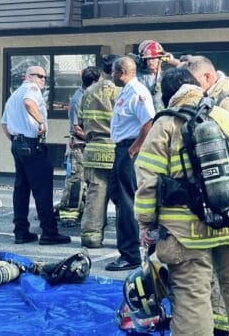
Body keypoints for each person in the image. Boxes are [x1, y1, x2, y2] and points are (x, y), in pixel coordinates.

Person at [134, 68, 229, 336]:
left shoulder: (165, 125)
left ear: (169, 95)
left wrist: (146, 224)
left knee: (192, 293)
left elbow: (148, 183)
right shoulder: (225, 116)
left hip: (187, 233)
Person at [183, 55, 229, 336]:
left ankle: (224, 326)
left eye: (196, 83)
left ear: (208, 78)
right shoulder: (215, 99)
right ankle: (220, 325)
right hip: (224, 201)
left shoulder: (227, 102)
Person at [1, 66, 70, 245]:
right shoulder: (31, 89)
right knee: (43, 189)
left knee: (21, 189)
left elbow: (4, 124)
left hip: (18, 143)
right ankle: (49, 232)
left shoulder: (13, 95)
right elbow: (29, 103)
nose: (43, 80)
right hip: (31, 144)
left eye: (45, 77)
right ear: (28, 76)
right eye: (39, 76)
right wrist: (41, 122)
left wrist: (16, 140)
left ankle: (21, 231)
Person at [106, 56, 155, 271]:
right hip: (121, 149)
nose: (111, 76)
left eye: (113, 72)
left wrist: (133, 150)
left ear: (121, 72)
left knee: (127, 202)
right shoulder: (125, 91)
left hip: (130, 150)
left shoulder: (137, 92)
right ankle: (127, 249)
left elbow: (149, 122)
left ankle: (130, 254)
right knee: (116, 195)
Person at [80, 54, 121, 249]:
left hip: (93, 149)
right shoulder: (120, 92)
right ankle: (124, 238)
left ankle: (91, 236)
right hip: (115, 148)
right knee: (123, 196)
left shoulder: (88, 92)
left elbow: (80, 121)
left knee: (96, 194)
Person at [56, 66, 101, 227]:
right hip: (79, 146)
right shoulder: (79, 98)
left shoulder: (90, 96)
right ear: (94, 82)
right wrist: (93, 139)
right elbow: (77, 127)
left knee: (86, 181)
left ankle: (76, 209)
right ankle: (69, 215)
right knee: (75, 180)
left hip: (86, 146)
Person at [136, 40, 180, 112]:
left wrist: (168, 60)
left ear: (160, 59)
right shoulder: (139, 76)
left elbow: (185, 66)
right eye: (148, 59)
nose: (150, 61)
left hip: (162, 114)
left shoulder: (166, 76)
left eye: (153, 58)